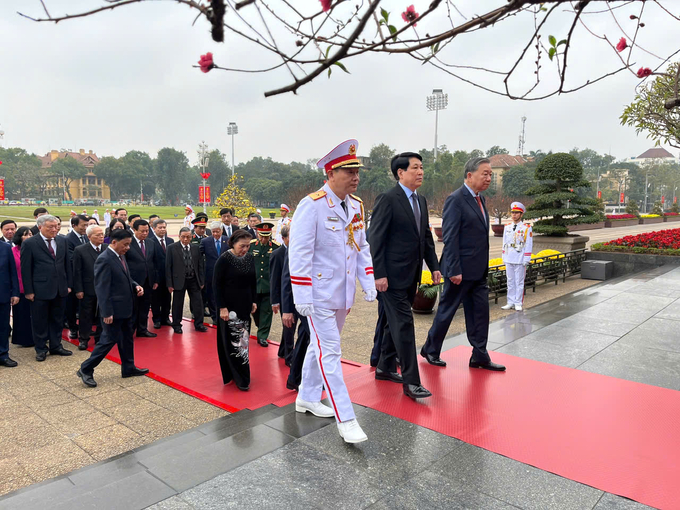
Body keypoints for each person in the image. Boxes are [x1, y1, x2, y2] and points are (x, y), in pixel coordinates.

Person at [289, 138, 376, 444]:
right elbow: (298, 253)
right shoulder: (311, 205)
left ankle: (307, 396)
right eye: (349, 171)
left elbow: (361, 246)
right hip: (318, 296)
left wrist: (367, 282)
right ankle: (347, 418)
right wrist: (301, 297)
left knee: (321, 346)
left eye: (356, 171)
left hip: (342, 295)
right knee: (331, 353)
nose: (356, 177)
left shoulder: (356, 206)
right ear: (330, 172)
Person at [421, 157, 506, 372]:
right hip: (458, 271)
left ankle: (479, 354)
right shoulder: (456, 200)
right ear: (469, 175)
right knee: (447, 311)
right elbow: (450, 237)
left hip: (477, 271)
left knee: (480, 313)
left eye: (490, 174)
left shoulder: (481, 199)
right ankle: (431, 349)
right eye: (484, 174)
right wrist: (455, 269)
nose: (488, 178)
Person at [369, 152, 441, 399]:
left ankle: (385, 367)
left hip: (411, 276)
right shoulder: (388, 199)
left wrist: (434, 267)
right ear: (400, 173)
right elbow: (375, 239)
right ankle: (412, 382)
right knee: (404, 325)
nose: (420, 172)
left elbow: (425, 238)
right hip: (390, 278)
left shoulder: (420, 200)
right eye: (415, 168)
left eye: (422, 167)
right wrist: (379, 274)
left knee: (392, 324)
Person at [76, 228, 149, 387]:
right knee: (108, 341)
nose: (128, 248)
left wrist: (135, 285)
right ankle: (86, 368)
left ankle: (128, 367)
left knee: (127, 339)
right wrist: (107, 311)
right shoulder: (105, 259)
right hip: (114, 310)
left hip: (125, 308)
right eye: (125, 244)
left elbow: (126, 277)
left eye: (129, 244)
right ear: (114, 242)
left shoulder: (119, 256)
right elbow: (102, 288)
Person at [20, 214, 73, 361]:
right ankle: (41, 348)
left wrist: (69, 284)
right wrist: (29, 291)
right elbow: (26, 269)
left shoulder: (62, 240)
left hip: (60, 288)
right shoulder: (30, 243)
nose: (55, 229)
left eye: (56, 226)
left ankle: (56, 346)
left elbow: (67, 264)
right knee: (39, 320)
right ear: (40, 227)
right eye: (51, 227)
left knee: (57, 319)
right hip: (39, 289)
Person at [213, 229, 257, 390]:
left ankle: (243, 373)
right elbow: (216, 285)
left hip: (244, 306)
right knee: (233, 342)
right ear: (233, 243)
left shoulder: (250, 258)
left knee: (243, 341)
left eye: (247, 246)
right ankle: (238, 376)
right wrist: (222, 307)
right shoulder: (224, 259)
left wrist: (253, 300)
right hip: (229, 309)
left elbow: (253, 282)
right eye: (242, 246)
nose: (245, 249)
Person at [166, 227, 207, 334]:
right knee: (177, 303)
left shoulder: (195, 248)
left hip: (193, 279)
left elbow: (200, 265)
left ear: (191, 237)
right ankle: (176, 325)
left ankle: (199, 324)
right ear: (179, 236)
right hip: (178, 280)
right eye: (183, 237)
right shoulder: (171, 248)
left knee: (198, 303)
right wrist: (169, 284)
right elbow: (168, 266)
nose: (185, 239)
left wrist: (201, 281)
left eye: (188, 237)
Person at [72, 225, 107, 350]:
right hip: (87, 288)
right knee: (86, 315)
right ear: (89, 236)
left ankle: (100, 337)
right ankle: (84, 339)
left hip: (104, 288)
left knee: (103, 314)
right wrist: (79, 289)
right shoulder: (80, 250)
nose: (101, 237)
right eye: (98, 235)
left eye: (102, 234)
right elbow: (77, 271)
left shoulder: (107, 248)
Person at [127, 219, 160, 338]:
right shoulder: (128, 243)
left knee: (145, 307)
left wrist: (156, 280)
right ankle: (129, 331)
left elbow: (155, 262)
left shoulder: (151, 243)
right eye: (142, 231)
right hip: (133, 281)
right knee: (133, 308)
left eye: (147, 231)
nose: (145, 233)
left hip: (148, 281)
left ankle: (142, 329)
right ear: (134, 230)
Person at [249, 223, 279, 347]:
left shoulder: (276, 247)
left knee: (267, 312)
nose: (264, 239)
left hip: (268, 285)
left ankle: (262, 336)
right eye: (262, 236)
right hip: (254, 285)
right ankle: (260, 326)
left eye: (266, 237)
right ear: (258, 234)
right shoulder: (251, 246)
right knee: (255, 312)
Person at [501, 202, 533, 312]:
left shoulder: (526, 228)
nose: (514, 215)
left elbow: (528, 244)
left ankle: (518, 302)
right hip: (509, 257)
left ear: (521, 214)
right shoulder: (507, 227)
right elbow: (504, 242)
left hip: (519, 258)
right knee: (510, 281)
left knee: (519, 282)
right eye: (513, 212)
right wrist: (504, 256)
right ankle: (510, 301)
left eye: (516, 213)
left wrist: (526, 258)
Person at [270, 224, 292, 362]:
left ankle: (283, 350)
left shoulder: (298, 251)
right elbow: (274, 279)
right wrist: (275, 301)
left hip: (297, 295)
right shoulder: (277, 254)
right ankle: (289, 356)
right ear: (283, 238)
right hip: (285, 297)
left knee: (289, 326)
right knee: (289, 327)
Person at [66, 214, 89, 339]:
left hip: (85, 278)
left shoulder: (86, 237)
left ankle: (84, 328)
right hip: (73, 277)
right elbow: (71, 258)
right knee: (72, 305)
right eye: (83, 225)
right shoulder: (68, 239)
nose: (85, 228)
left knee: (84, 306)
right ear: (74, 225)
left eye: (87, 225)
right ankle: (73, 328)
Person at [200, 221, 229, 324]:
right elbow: (199, 256)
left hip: (225, 274)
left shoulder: (228, 240)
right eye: (213, 232)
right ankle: (215, 317)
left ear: (221, 230)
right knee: (212, 296)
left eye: (217, 231)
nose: (215, 234)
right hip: (210, 274)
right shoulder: (205, 241)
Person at [10, 227, 34, 348]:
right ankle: (23, 338)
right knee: (22, 315)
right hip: (20, 288)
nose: (29, 236)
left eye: (31, 234)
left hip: (34, 287)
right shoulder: (13, 251)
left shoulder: (34, 249)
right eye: (26, 235)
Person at [148, 219, 174, 329]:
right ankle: (157, 319)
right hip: (156, 276)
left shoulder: (170, 241)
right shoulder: (150, 242)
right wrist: (155, 279)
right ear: (154, 229)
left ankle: (165, 317)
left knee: (167, 298)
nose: (162, 229)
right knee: (156, 299)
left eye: (164, 227)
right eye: (160, 227)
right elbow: (151, 261)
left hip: (168, 276)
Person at [0, 241, 20, 367]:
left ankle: (3, 354)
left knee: (3, 327)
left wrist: (15, 293)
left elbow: (13, 272)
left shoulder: (5, 247)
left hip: (3, 294)